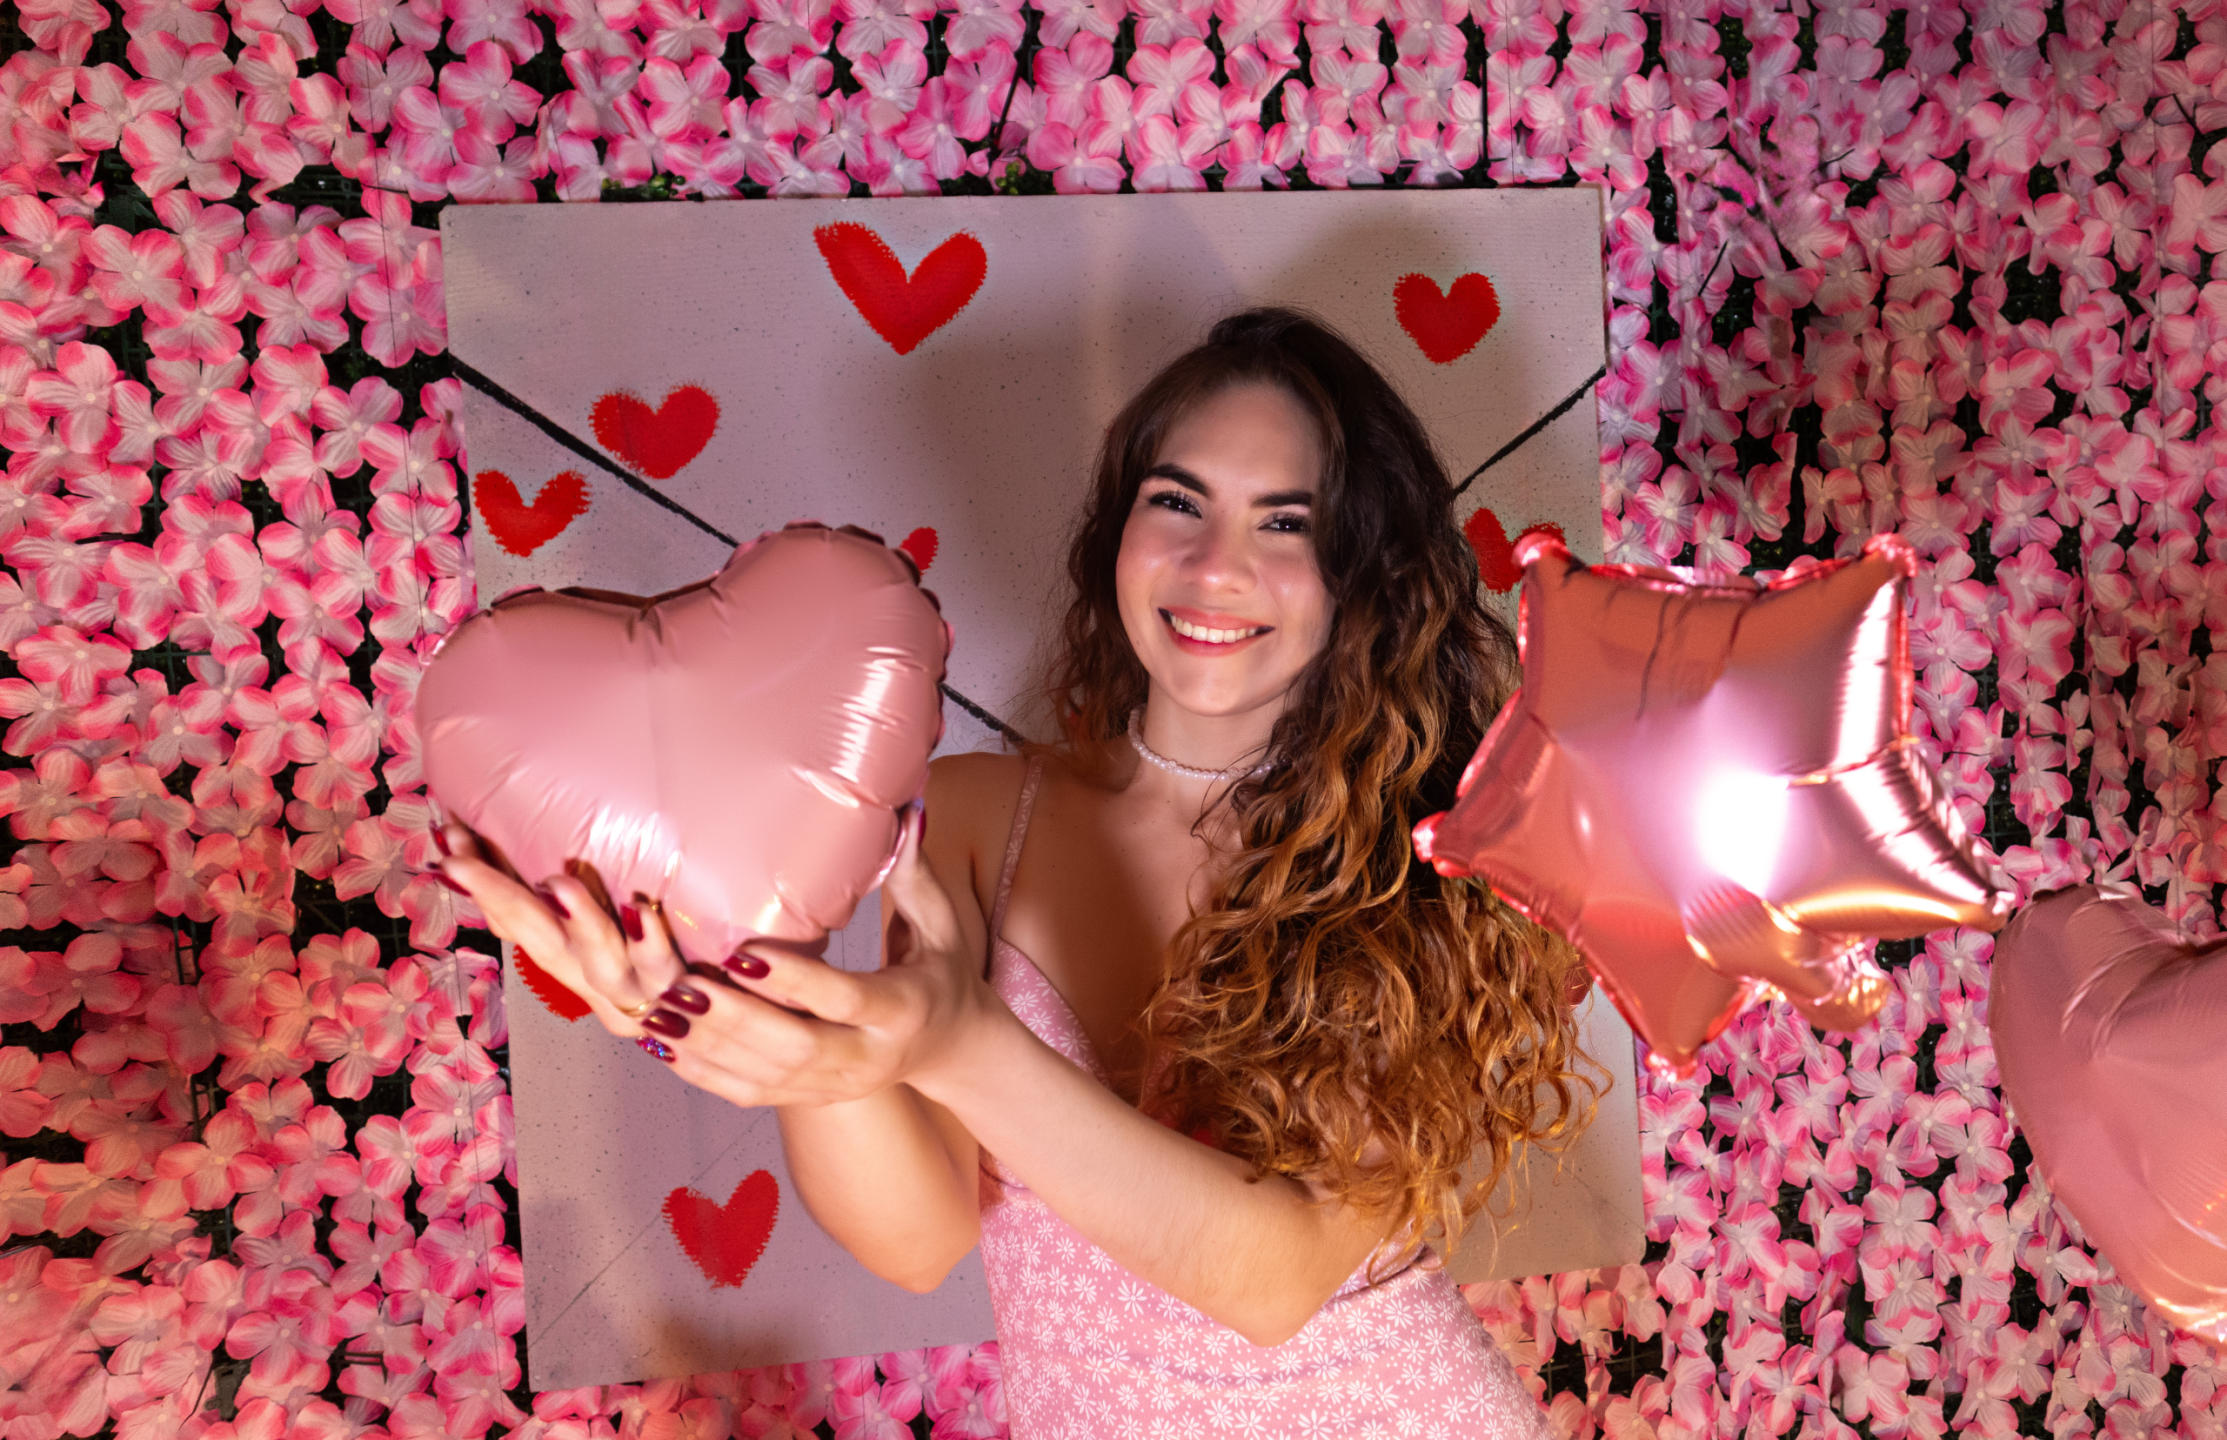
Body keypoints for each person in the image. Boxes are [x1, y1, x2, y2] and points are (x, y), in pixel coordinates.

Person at [440, 308, 1594, 1437]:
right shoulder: (978, 815)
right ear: (1117, 531)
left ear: (1360, 572)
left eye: (1284, 523)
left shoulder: (1418, 854)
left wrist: (957, 1044)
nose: (1214, 565)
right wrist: (772, 980)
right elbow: (919, 1237)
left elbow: (1271, 1279)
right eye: (1176, 502)